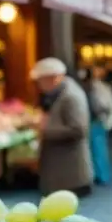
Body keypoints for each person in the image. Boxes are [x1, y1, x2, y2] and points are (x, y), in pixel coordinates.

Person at [33, 58, 93, 196]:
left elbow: (79, 129)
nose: (39, 85)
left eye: (41, 80)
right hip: (62, 170)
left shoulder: (71, 96)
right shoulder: (61, 93)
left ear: (53, 78)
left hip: (68, 171)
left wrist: (44, 130)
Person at [81, 66, 112, 185]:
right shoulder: (102, 87)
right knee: (99, 148)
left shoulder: (86, 87)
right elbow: (108, 105)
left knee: (94, 148)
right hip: (97, 119)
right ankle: (102, 175)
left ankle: (99, 175)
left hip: (92, 119)